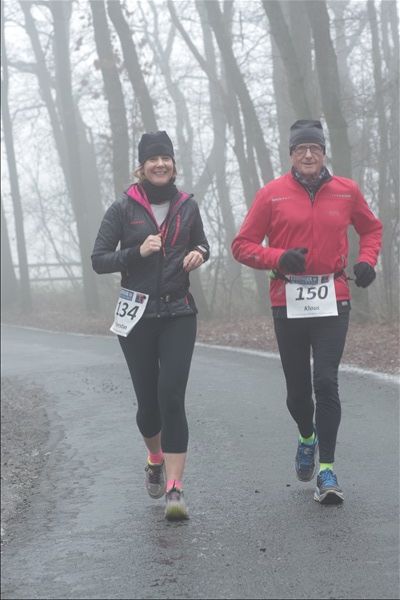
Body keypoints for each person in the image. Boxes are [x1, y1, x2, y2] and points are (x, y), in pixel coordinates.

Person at [232, 119, 382, 505]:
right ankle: (306, 435)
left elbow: (371, 229)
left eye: (315, 148)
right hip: (288, 299)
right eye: (301, 149)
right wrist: (279, 257)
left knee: (326, 382)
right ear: (291, 156)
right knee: (298, 393)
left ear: (324, 153)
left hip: (333, 297)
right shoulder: (271, 195)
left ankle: (327, 471)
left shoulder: (346, 191)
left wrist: (367, 261)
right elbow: (242, 245)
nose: (309, 155)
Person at [92, 131, 209, 520]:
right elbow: (99, 259)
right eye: (152, 159)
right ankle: (154, 458)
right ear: (141, 167)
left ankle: (175, 490)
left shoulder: (187, 206)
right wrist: (136, 251)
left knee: (171, 395)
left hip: (179, 312)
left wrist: (199, 253)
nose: (160, 164)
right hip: (137, 315)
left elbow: (203, 244)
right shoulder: (122, 208)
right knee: (148, 404)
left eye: (166, 159)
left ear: (174, 165)